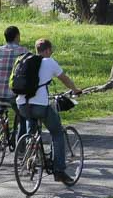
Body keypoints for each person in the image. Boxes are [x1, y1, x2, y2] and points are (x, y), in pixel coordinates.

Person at [16, 38, 82, 185]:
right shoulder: (49, 62)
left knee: (31, 127)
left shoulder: (24, 61)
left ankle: (31, 154)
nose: (51, 53)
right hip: (40, 105)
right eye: (50, 51)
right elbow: (64, 78)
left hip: (22, 104)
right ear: (46, 50)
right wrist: (75, 90)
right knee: (57, 132)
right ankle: (59, 170)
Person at [0, 26, 28, 139]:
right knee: (23, 116)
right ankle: (21, 147)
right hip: (13, 94)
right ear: (17, 36)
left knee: (0, 100)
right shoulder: (23, 51)